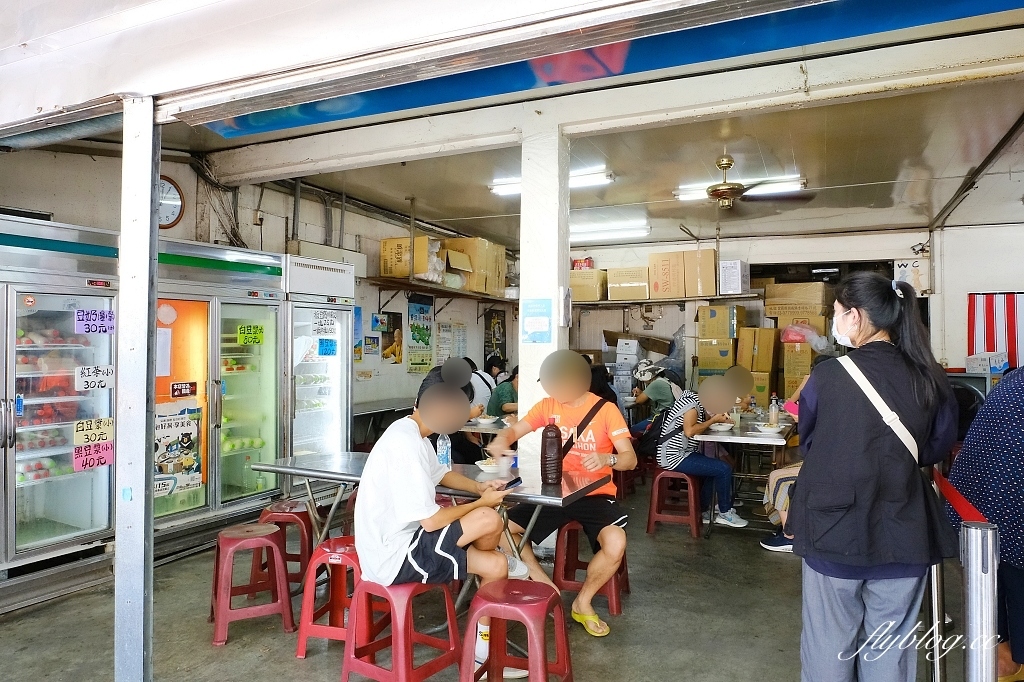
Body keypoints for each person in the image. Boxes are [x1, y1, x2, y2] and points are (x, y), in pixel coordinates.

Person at [788, 272, 957, 682]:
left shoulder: (827, 375)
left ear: (857, 317)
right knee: (890, 644)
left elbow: (809, 442)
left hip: (833, 527)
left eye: (836, 313)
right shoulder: (931, 375)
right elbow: (935, 448)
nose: (834, 321)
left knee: (829, 642)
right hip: (906, 526)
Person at [354, 364, 529, 678]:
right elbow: (432, 522)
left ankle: (481, 655)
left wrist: (478, 487)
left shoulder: (415, 433)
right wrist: (481, 502)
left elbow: (441, 474)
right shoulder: (405, 444)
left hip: (406, 541)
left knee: (495, 567)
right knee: (488, 518)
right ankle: (497, 552)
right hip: (394, 555)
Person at [487, 349, 637, 638]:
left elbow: (629, 458)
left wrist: (609, 460)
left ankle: (582, 601)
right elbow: (513, 431)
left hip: (594, 494)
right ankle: (546, 587)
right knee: (500, 528)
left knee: (616, 543)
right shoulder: (547, 406)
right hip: (554, 492)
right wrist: (500, 442)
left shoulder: (605, 410)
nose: (553, 390)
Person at [946, 367, 1024, 681]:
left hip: (979, 513)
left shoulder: (1014, 382)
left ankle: (1003, 660)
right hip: (1010, 511)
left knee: (993, 595)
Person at [654, 388, 749, 528]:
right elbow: (690, 431)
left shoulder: (695, 402)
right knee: (723, 469)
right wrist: (713, 420)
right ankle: (725, 513)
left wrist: (716, 420)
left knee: (714, 468)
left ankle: (703, 511)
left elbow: (698, 425)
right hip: (674, 456)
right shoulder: (692, 405)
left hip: (682, 453)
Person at [629, 360, 676, 436]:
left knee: (633, 430)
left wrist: (640, 394)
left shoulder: (656, 384)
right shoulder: (663, 380)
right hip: (668, 416)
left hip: (660, 418)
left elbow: (638, 401)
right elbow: (650, 398)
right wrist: (642, 393)